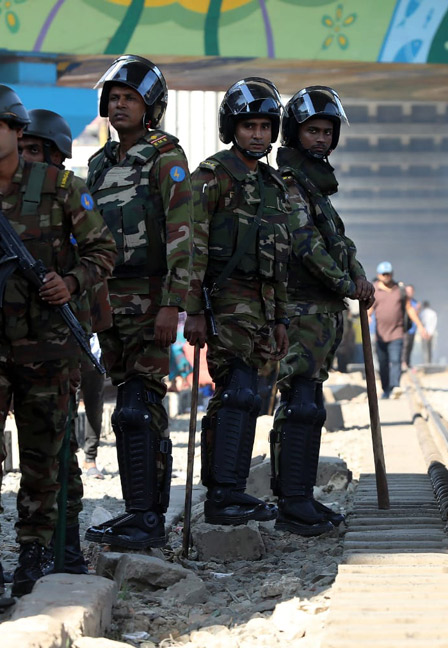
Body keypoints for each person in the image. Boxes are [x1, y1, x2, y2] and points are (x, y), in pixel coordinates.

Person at [0, 84, 115, 597]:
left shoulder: (63, 186)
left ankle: (35, 554)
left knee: (43, 455)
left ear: (18, 132)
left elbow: (103, 250)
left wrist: (71, 282)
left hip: (46, 346)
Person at [83, 55, 194, 550]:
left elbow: (183, 236)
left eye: (129, 97)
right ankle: (139, 513)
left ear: (150, 106)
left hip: (152, 301)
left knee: (138, 404)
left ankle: (148, 517)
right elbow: (87, 238)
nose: (119, 104)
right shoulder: (98, 164)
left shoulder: (166, 156)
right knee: (125, 404)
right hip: (109, 301)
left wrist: (174, 304)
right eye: (114, 97)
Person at [183, 77, 295, 526]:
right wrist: (192, 308)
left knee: (250, 397)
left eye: (266, 127)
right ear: (232, 128)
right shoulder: (212, 176)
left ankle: (231, 490)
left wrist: (282, 317)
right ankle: (223, 494)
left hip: (264, 309)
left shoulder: (273, 184)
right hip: (225, 302)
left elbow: (281, 258)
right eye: (249, 126)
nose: (258, 134)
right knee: (236, 394)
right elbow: (189, 245)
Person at [271, 85, 373, 536]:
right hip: (300, 309)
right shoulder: (292, 185)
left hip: (321, 313)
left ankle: (301, 499)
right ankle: (292, 503)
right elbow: (305, 244)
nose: (321, 139)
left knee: (309, 403)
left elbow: (338, 242)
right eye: (313, 130)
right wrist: (346, 283)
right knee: (299, 404)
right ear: (295, 133)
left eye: (328, 132)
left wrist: (360, 276)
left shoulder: (318, 188)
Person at [18, 108, 110, 572]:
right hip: (9, 339)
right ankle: (25, 549)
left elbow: (99, 258)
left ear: (57, 155)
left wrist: (72, 286)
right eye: (23, 150)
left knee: (58, 445)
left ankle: (65, 544)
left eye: (36, 151)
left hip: (62, 337)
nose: (28, 159)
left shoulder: (74, 199)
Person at [368, 262, 427, 398]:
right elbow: (369, 308)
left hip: (397, 332)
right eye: (384, 274)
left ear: (392, 274)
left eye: (388, 274)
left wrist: (420, 326)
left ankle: (395, 386)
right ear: (379, 275)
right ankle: (386, 389)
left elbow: (409, 309)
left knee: (395, 360)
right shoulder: (375, 290)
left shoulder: (399, 290)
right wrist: (367, 316)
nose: (387, 276)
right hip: (381, 334)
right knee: (383, 363)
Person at [401, 283, 418, 369]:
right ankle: (403, 362)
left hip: (413, 328)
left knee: (410, 346)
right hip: (405, 328)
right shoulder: (402, 302)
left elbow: (416, 314)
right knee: (405, 346)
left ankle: (407, 362)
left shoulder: (415, 303)